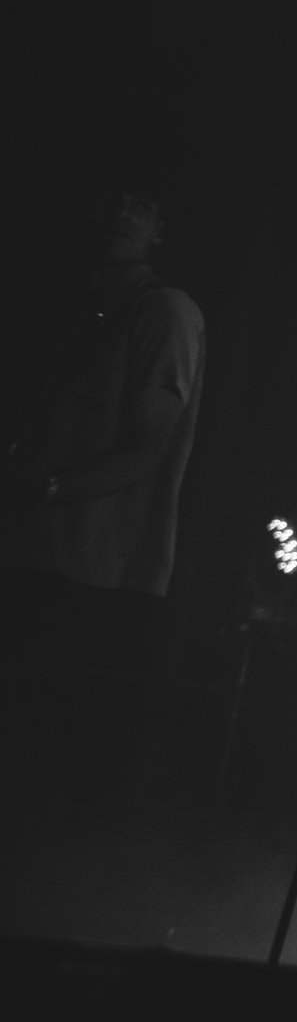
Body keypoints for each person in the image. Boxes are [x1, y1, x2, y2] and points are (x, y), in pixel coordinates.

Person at [1, 188, 207, 807]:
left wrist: (49, 487)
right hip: (38, 554)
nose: (121, 215)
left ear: (161, 230)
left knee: (35, 750)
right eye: (112, 203)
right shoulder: (76, 311)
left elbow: (147, 449)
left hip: (89, 571)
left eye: (139, 207)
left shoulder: (164, 311)